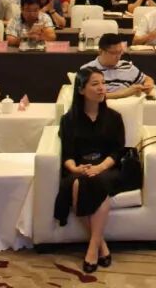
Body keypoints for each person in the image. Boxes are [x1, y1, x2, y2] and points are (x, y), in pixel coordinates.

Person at [54, 67, 127, 273]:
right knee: (78, 184)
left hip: (108, 168)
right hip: (80, 169)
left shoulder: (114, 117)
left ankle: (93, 249)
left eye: (103, 83)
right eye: (95, 84)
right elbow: (67, 155)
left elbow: (118, 151)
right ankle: (102, 245)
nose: (102, 88)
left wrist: (100, 167)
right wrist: (76, 168)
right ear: (81, 90)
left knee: (96, 182)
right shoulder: (68, 120)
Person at [81, 33, 155, 98]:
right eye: (113, 53)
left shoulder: (126, 66)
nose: (118, 56)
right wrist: (124, 93)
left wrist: (147, 85)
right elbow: (89, 96)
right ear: (100, 52)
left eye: (120, 52)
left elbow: (146, 78)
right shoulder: (87, 70)